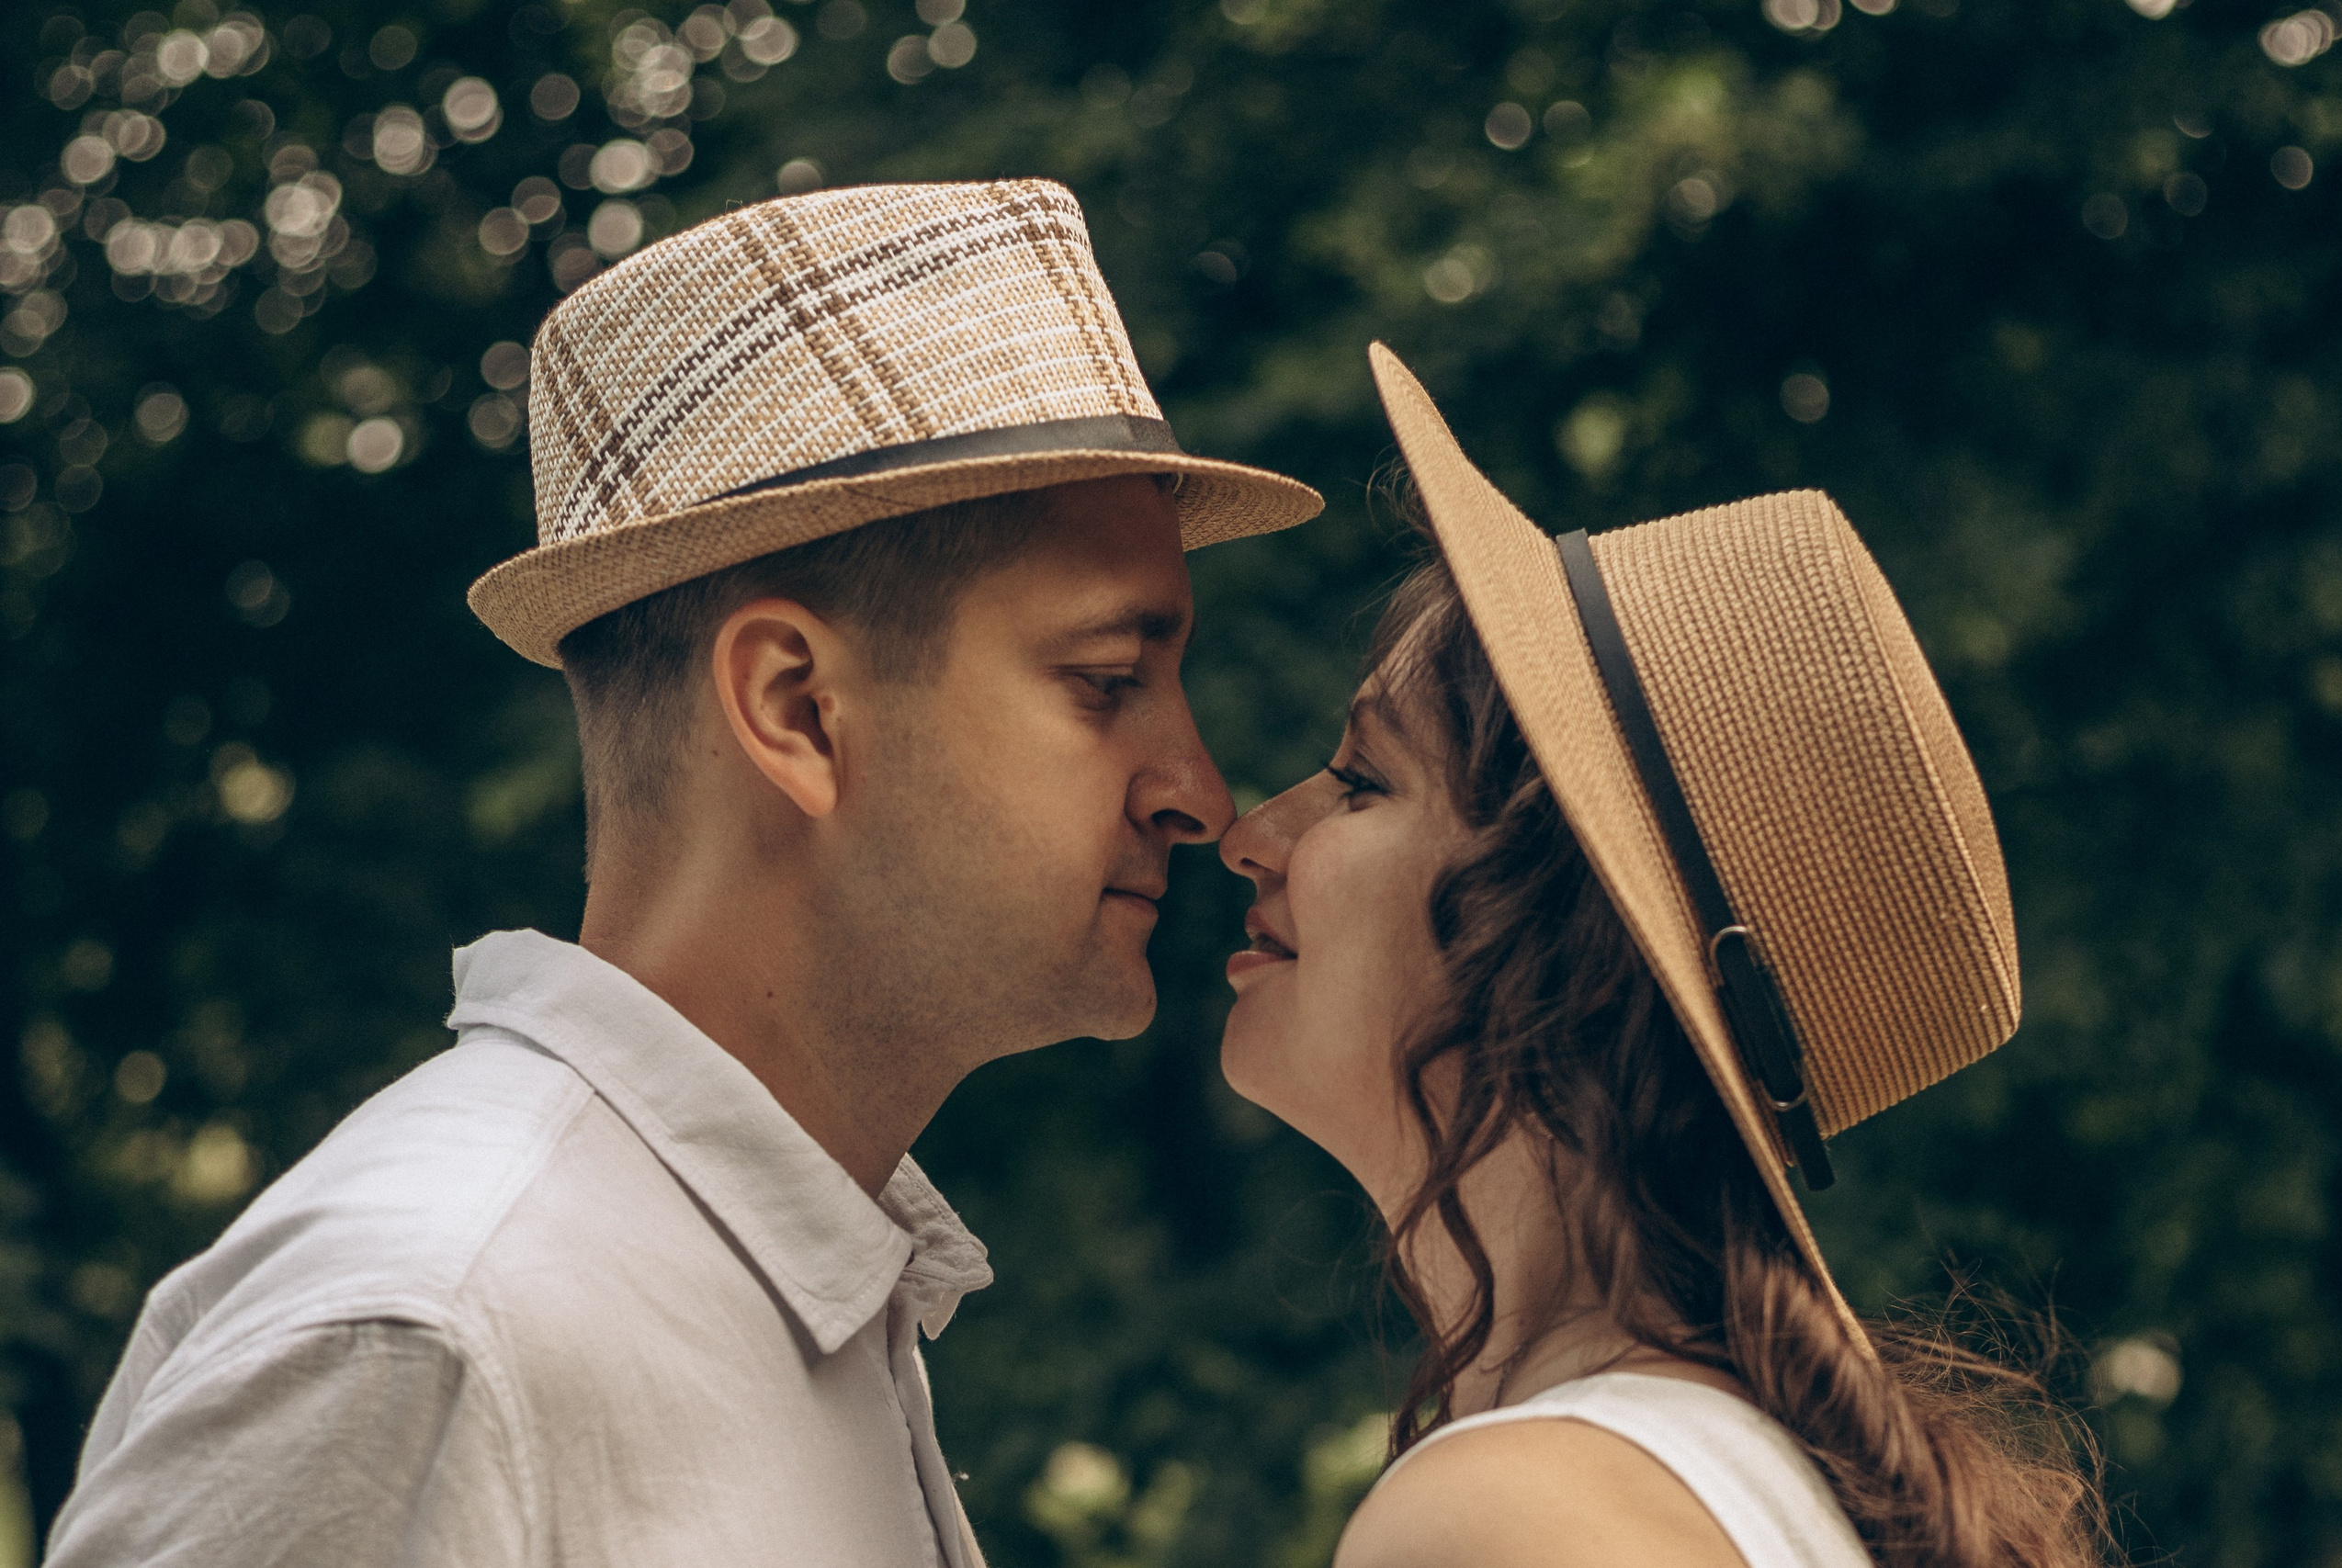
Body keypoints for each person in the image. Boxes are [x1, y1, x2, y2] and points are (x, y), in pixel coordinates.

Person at [42, 179, 1320, 1566]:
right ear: (796, 710)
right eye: (1108, 681)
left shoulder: (751, 1285)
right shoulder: (438, 1325)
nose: (1200, 792)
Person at [1217, 344, 2109, 1568]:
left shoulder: (1511, 1518)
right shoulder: (1738, 1485)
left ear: (1561, 938)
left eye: (1364, 781)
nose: (1249, 834)